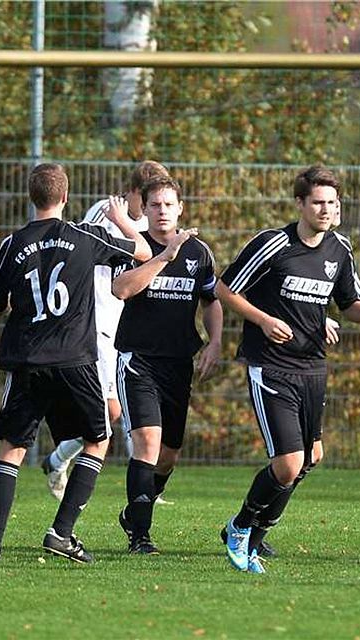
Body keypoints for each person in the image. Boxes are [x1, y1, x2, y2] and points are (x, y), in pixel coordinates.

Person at [0, 163, 151, 564]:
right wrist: (122, 221)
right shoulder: (85, 236)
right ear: (66, 197)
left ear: (31, 197)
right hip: (76, 358)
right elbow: (142, 251)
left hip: (27, 359)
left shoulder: (12, 244)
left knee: (12, 448)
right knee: (98, 439)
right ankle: (61, 532)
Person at [217, 165, 360, 573]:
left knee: (311, 457)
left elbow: (349, 304)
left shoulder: (340, 250)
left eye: (332, 203)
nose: (325, 210)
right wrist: (263, 320)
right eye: (318, 202)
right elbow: (224, 289)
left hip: (312, 366)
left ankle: (256, 536)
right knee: (289, 463)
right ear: (300, 204)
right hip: (270, 365)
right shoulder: (273, 244)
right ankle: (240, 527)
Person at [39, 161, 169, 502]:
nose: (159, 206)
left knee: (119, 410)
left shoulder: (154, 219)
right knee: (111, 411)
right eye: (152, 198)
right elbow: (83, 254)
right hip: (97, 320)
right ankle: (62, 460)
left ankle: (59, 459)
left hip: (128, 324)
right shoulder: (106, 211)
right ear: (136, 193)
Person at [111, 176, 223, 554]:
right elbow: (121, 289)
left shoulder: (200, 252)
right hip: (137, 359)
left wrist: (215, 342)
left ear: (180, 209)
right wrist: (163, 257)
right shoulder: (135, 247)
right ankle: (140, 536)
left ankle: (135, 510)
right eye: (154, 205)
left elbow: (212, 300)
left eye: (168, 205)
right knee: (147, 441)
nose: (161, 211)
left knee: (169, 454)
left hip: (179, 362)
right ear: (144, 208)